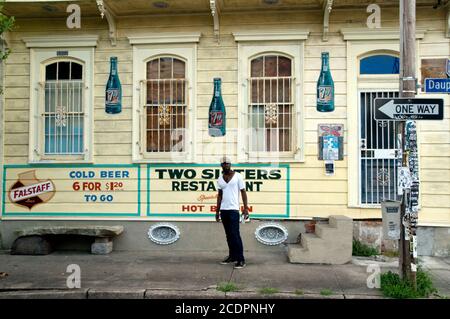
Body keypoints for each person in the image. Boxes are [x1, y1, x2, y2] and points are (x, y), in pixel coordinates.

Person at [215, 156, 249, 269]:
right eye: (223, 164)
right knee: (228, 235)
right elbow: (219, 195)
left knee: (235, 235)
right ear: (221, 165)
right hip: (224, 210)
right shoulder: (220, 178)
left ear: (230, 164)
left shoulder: (238, 176)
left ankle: (241, 259)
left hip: (234, 210)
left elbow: (243, 192)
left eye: (227, 163)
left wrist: (245, 208)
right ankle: (232, 256)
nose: (225, 165)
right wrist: (217, 211)